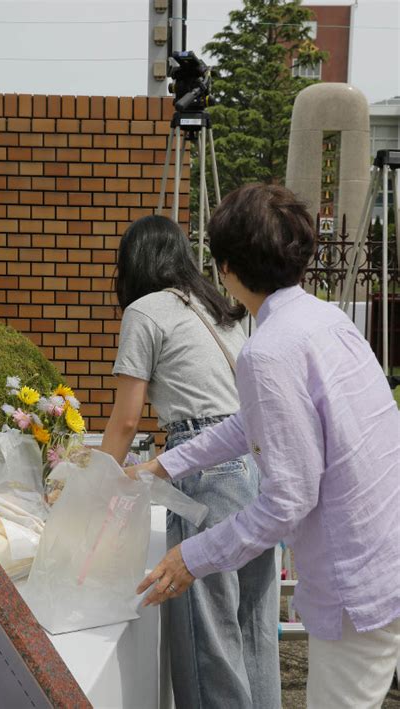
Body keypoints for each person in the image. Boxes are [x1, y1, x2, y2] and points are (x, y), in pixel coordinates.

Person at [129, 184, 400, 709]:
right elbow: (251, 424)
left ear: (225, 267)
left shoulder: (270, 351)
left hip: (354, 577)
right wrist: (163, 465)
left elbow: (288, 500)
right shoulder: (326, 320)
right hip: (382, 551)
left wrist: (193, 556)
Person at [100, 214, 281, 709]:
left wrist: (94, 485)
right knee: (253, 628)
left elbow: (124, 421)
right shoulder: (219, 307)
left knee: (209, 636)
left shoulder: (144, 312)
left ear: (132, 264)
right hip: (257, 460)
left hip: (208, 466)